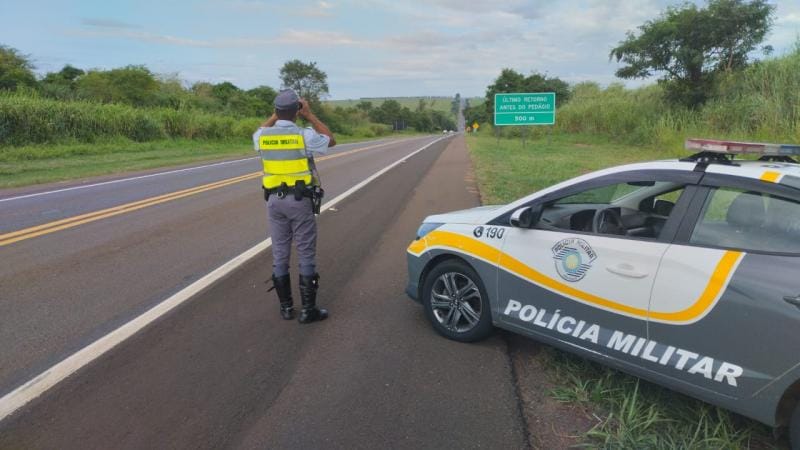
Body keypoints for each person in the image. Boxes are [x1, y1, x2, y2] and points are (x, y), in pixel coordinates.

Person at [253, 89, 336, 324]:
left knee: (280, 253)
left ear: (277, 111)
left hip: (274, 203)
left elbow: (260, 130)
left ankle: (287, 308)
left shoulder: (263, 136)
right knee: (305, 253)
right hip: (299, 202)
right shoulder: (304, 136)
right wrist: (310, 115)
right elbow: (331, 140)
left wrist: (275, 116)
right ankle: (308, 311)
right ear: (297, 112)